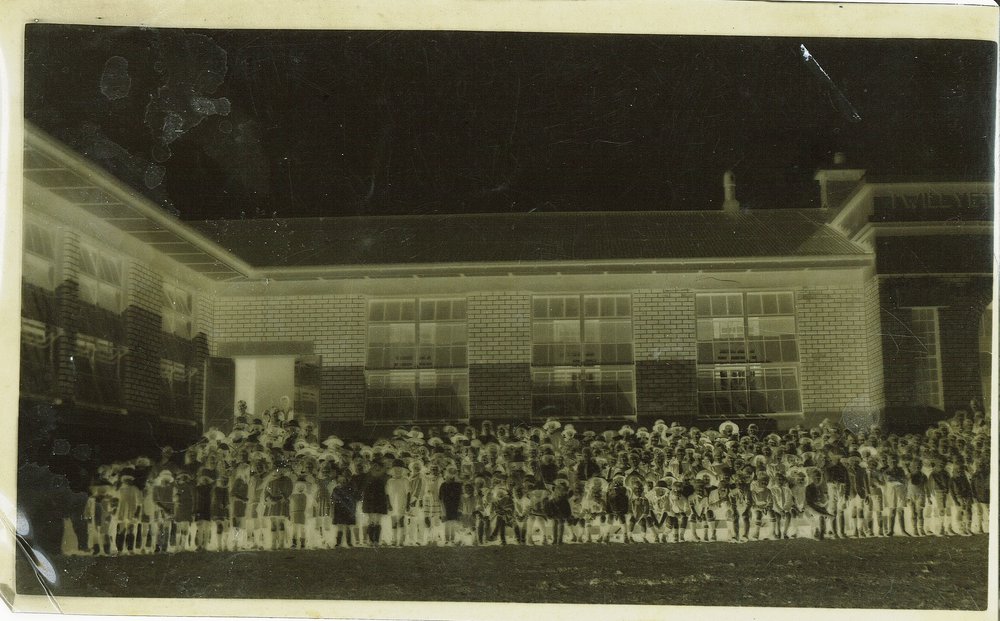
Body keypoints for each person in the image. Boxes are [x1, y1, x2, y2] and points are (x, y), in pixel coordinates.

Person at [361, 461, 389, 547]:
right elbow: (364, 488)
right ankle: (371, 540)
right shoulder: (367, 476)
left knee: (377, 521)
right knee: (371, 521)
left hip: (379, 500)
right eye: (374, 465)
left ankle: (376, 541)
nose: (376, 467)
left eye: (378, 466)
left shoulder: (384, 476)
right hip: (370, 500)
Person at [385, 459, 411, 546]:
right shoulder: (390, 481)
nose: (397, 471)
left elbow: (408, 493)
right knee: (393, 521)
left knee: (401, 521)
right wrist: (388, 504)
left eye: (399, 469)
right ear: (393, 470)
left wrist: (407, 504)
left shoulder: (405, 480)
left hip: (401, 502)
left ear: (402, 470)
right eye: (395, 469)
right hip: (392, 503)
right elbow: (387, 494)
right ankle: (394, 539)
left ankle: (401, 540)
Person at [439, 466, 464, 545]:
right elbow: (440, 497)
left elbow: (461, 496)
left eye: (453, 472)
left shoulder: (458, 484)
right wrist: (442, 508)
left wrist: (460, 508)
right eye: (450, 472)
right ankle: (446, 539)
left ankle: (452, 539)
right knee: (447, 522)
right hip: (446, 505)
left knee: (453, 522)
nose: (452, 475)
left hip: (455, 505)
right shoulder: (443, 484)